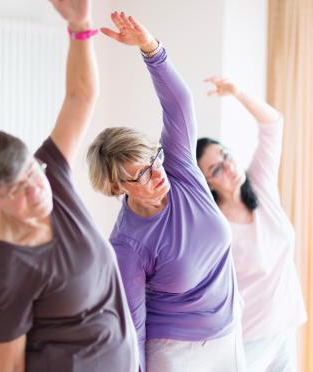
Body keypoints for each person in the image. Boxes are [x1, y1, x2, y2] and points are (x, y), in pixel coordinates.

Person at [0, 1, 138, 371]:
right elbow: (10, 366)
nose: (35, 191)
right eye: (16, 190)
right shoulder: (5, 268)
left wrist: (80, 26)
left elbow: (80, 96)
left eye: (31, 173)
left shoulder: (51, 172)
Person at [86, 12, 245, 372]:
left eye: (152, 159)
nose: (155, 173)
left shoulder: (179, 168)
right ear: (116, 188)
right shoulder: (128, 245)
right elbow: (132, 326)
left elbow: (180, 103)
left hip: (230, 334)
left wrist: (149, 47)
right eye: (139, 174)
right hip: (177, 353)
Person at [196, 77, 307, 372]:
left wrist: (237, 93)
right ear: (206, 181)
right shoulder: (214, 226)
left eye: (226, 156)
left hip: (284, 327)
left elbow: (273, 125)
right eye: (216, 168)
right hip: (247, 339)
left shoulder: (260, 185)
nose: (229, 167)